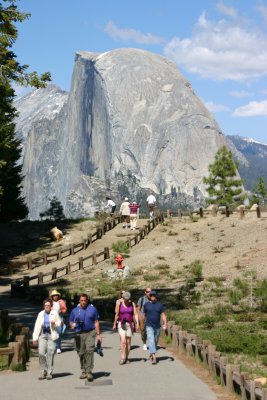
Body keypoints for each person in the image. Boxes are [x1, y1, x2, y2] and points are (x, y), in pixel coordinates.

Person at [69, 293, 102, 382]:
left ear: (87, 300)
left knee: (90, 350)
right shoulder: (74, 311)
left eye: (85, 300)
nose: (83, 302)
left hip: (90, 332)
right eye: (82, 300)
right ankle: (83, 370)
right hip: (79, 334)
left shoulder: (93, 309)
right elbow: (71, 322)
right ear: (79, 301)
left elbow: (96, 322)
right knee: (81, 352)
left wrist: (98, 335)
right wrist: (73, 325)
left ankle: (89, 371)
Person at [32, 298, 62, 380]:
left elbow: (59, 323)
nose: (47, 307)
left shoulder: (54, 313)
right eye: (45, 305)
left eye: (49, 305)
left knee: (50, 354)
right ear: (43, 306)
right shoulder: (41, 314)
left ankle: (49, 372)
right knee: (41, 353)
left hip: (51, 335)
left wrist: (54, 323)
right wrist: (35, 338)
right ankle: (43, 371)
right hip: (43, 335)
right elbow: (37, 326)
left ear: (51, 306)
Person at [112, 291, 139, 365]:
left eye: (128, 299)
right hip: (121, 323)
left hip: (130, 324)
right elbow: (116, 314)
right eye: (125, 298)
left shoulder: (132, 304)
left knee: (128, 342)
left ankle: (127, 357)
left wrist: (137, 323)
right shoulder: (119, 304)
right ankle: (123, 357)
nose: (126, 300)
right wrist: (114, 324)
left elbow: (135, 314)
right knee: (123, 341)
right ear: (123, 297)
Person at [141, 290, 167, 365]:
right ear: (149, 296)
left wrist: (165, 323)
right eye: (151, 295)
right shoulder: (146, 305)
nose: (153, 296)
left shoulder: (159, 305)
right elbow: (144, 315)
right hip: (149, 325)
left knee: (155, 341)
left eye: (154, 295)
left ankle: (151, 354)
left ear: (155, 296)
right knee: (151, 340)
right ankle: (154, 358)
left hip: (157, 326)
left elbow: (163, 315)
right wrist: (142, 324)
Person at [50, 289, 67, 354]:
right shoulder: (50, 302)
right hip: (52, 320)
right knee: (53, 333)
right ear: (52, 296)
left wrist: (61, 311)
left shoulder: (61, 301)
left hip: (60, 320)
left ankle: (58, 347)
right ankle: (55, 346)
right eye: (54, 295)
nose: (55, 296)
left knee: (59, 333)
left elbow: (65, 309)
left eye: (56, 295)